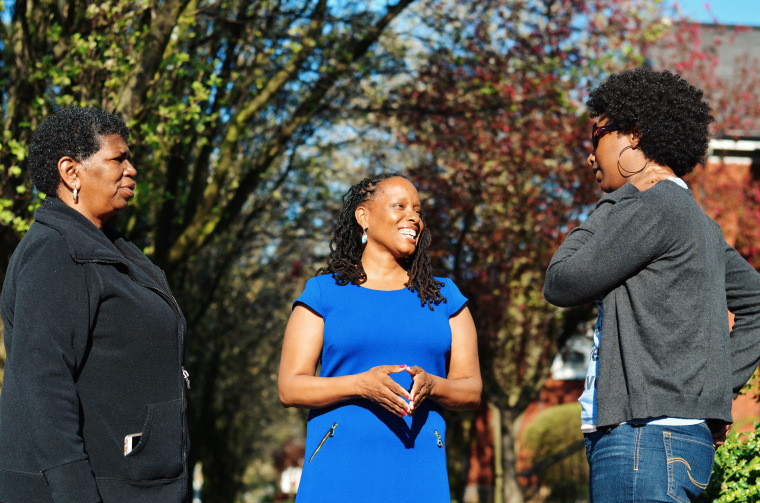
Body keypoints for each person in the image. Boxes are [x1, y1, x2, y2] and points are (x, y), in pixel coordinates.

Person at [543, 67, 760, 503]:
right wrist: (712, 395)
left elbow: (561, 281)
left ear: (634, 136)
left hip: (641, 442)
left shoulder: (650, 207)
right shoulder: (699, 222)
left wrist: (618, 197)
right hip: (674, 444)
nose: (590, 157)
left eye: (597, 135)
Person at [0, 107, 190, 502]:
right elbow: (44, 383)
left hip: (132, 484)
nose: (131, 169)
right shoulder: (55, 253)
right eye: (118, 159)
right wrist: (74, 490)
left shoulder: (113, 250)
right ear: (71, 172)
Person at [278, 172, 482, 502]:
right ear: (364, 217)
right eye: (399, 206)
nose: (413, 217)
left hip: (420, 469)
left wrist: (433, 384)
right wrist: (360, 384)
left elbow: (471, 389)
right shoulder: (323, 293)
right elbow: (290, 386)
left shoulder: (446, 299)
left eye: (417, 210)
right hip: (338, 473)